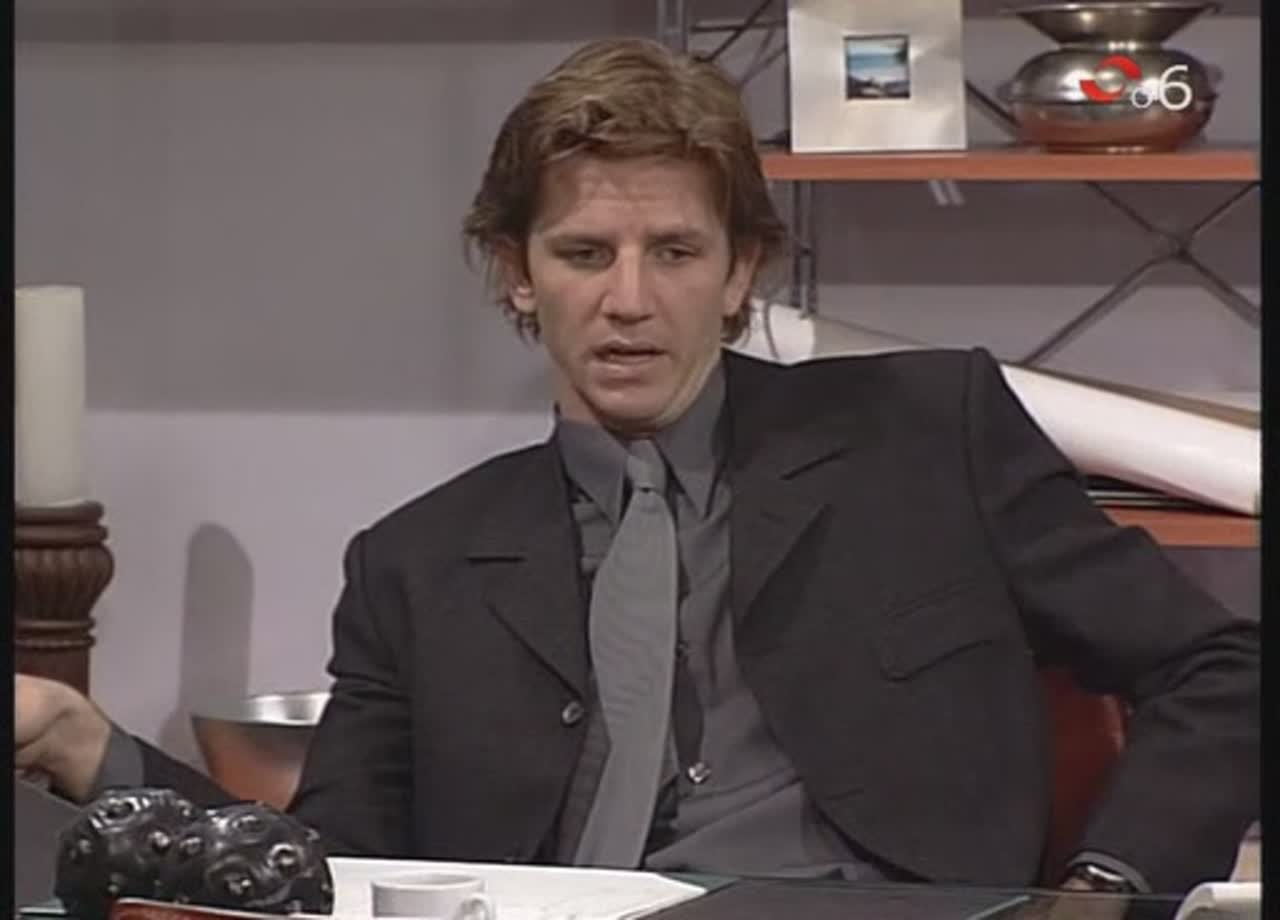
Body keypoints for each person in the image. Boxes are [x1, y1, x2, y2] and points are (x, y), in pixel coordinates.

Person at [17, 37, 1258, 897]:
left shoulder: (928, 431)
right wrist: (91, 745)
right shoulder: (414, 563)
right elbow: (329, 874)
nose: (627, 300)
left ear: (738, 270)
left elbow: (1222, 663)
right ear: (515, 273)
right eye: (581, 253)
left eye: (672, 251)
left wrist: (1106, 884)